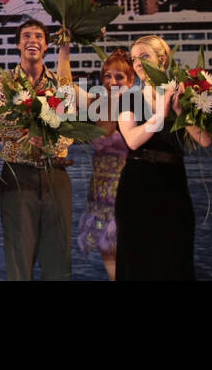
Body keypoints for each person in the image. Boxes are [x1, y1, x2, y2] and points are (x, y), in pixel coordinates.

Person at [114, 35, 210, 281]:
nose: (137, 63)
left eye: (144, 56)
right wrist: (161, 115)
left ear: (162, 58)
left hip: (172, 182)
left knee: (174, 256)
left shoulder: (184, 93)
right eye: (134, 58)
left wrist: (178, 110)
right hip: (137, 183)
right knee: (138, 259)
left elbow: (205, 139)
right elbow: (133, 140)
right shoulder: (129, 97)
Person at [0, 18, 75, 280]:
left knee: (58, 258)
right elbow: (2, 126)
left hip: (56, 174)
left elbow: (68, 129)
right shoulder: (1, 82)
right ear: (18, 44)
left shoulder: (61, 84)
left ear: (47, 46)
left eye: (38, 36)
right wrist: (33, 135)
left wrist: (47, 142)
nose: (32, 41)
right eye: (26, 36)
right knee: (19, 257)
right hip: (17, 176)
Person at [77, 50, 134, 280]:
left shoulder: (140, 105)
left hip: (128, 190)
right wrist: (65, 48)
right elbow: (64, 86)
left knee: (131, 250)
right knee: (107, 250)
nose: (112, 82)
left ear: (131, 80)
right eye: (107, 76)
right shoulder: (95, 105)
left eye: (119, 77)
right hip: (100, 190)